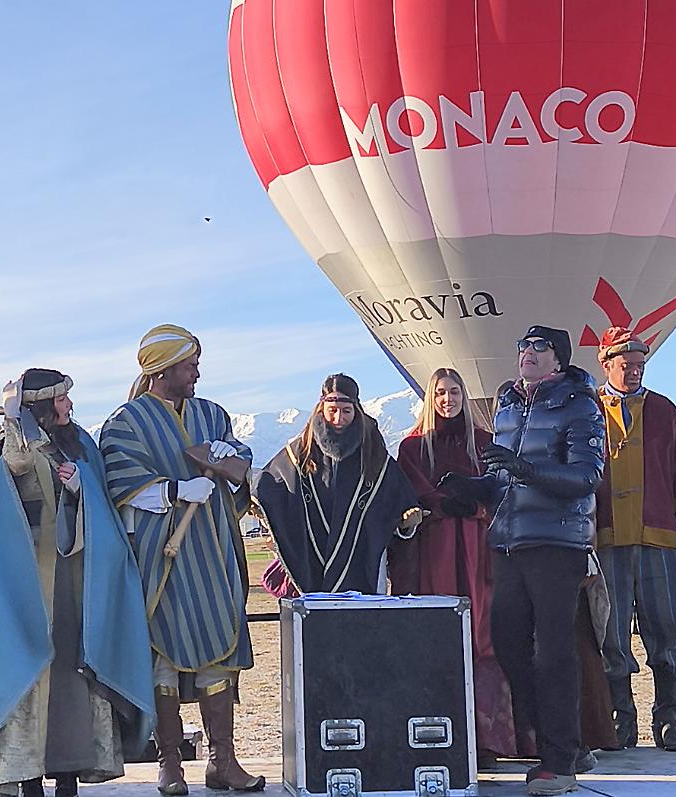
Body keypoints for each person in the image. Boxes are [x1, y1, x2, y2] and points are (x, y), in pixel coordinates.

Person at [438, 325, 605, 795]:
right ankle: (563, 741)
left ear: (559, 359)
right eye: (523, 346)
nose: (527, 353)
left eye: (539, 347)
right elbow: (502, 481)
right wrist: (472, 490)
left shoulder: (580, 406)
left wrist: (527, 471)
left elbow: (586, 476)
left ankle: (560, 761)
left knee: (553, 651)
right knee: (508, 642)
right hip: (510, 541)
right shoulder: (509, 405)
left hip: (557, 542)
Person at [0, 369, 155, 797]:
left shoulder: (82, 443)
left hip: (77, 574)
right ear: (40, 405)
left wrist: (80, 486)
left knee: (75, 667)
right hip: (28, 578)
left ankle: (71, 769)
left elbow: (102, 502)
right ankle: (29, 775)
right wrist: (16, 425)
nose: (69, 405)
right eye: (60, 399)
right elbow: (15, 471)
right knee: (34, 668)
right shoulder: (8, 446)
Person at [100, 325, 264, 795]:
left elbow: (238, 461)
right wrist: (174, 489)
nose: (197, 373)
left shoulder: (212, 414)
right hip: (161, 557)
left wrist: (232, 457)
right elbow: (119, 483)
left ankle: (223, 761)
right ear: (163, 369)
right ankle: (169, 762)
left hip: (213, 552)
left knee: (220, 649)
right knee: (162, 655)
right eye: (190, 365)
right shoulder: (125, 423)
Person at [393, 368, 515, 763]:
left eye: (455, 392)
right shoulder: (413, 447)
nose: (448, 400)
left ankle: (488, 739)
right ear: (431, 398)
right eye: (441, 393)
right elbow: (412, 492)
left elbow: (501, 489)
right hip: (437, 550)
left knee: (483, 636)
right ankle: (441, 733)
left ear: (465, 396)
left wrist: (476, 506)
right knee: (441, 632)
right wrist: (444, 503)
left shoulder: (484, 442)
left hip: (479, 548)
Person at [594, 326, 676, 752]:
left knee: (669, 629)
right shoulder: (588, 410)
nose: (635, 371)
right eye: (627, 365)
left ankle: (668, 720)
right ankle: (621, 719)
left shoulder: (664, 411)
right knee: (611, 632)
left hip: (660, 540)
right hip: (606, 541)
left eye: (640, 365)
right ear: (606, 365)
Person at [255, 372, 422, 595]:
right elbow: (269, 484)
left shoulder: (374, 455)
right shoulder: (301, 452)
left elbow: (396, 501)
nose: (338, 418)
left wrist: (405, 523)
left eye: (346, 411)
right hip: (312, 560)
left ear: (356, 411)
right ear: (321, 409)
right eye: (332, 410)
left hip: (363, 560)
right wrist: (261, 506)